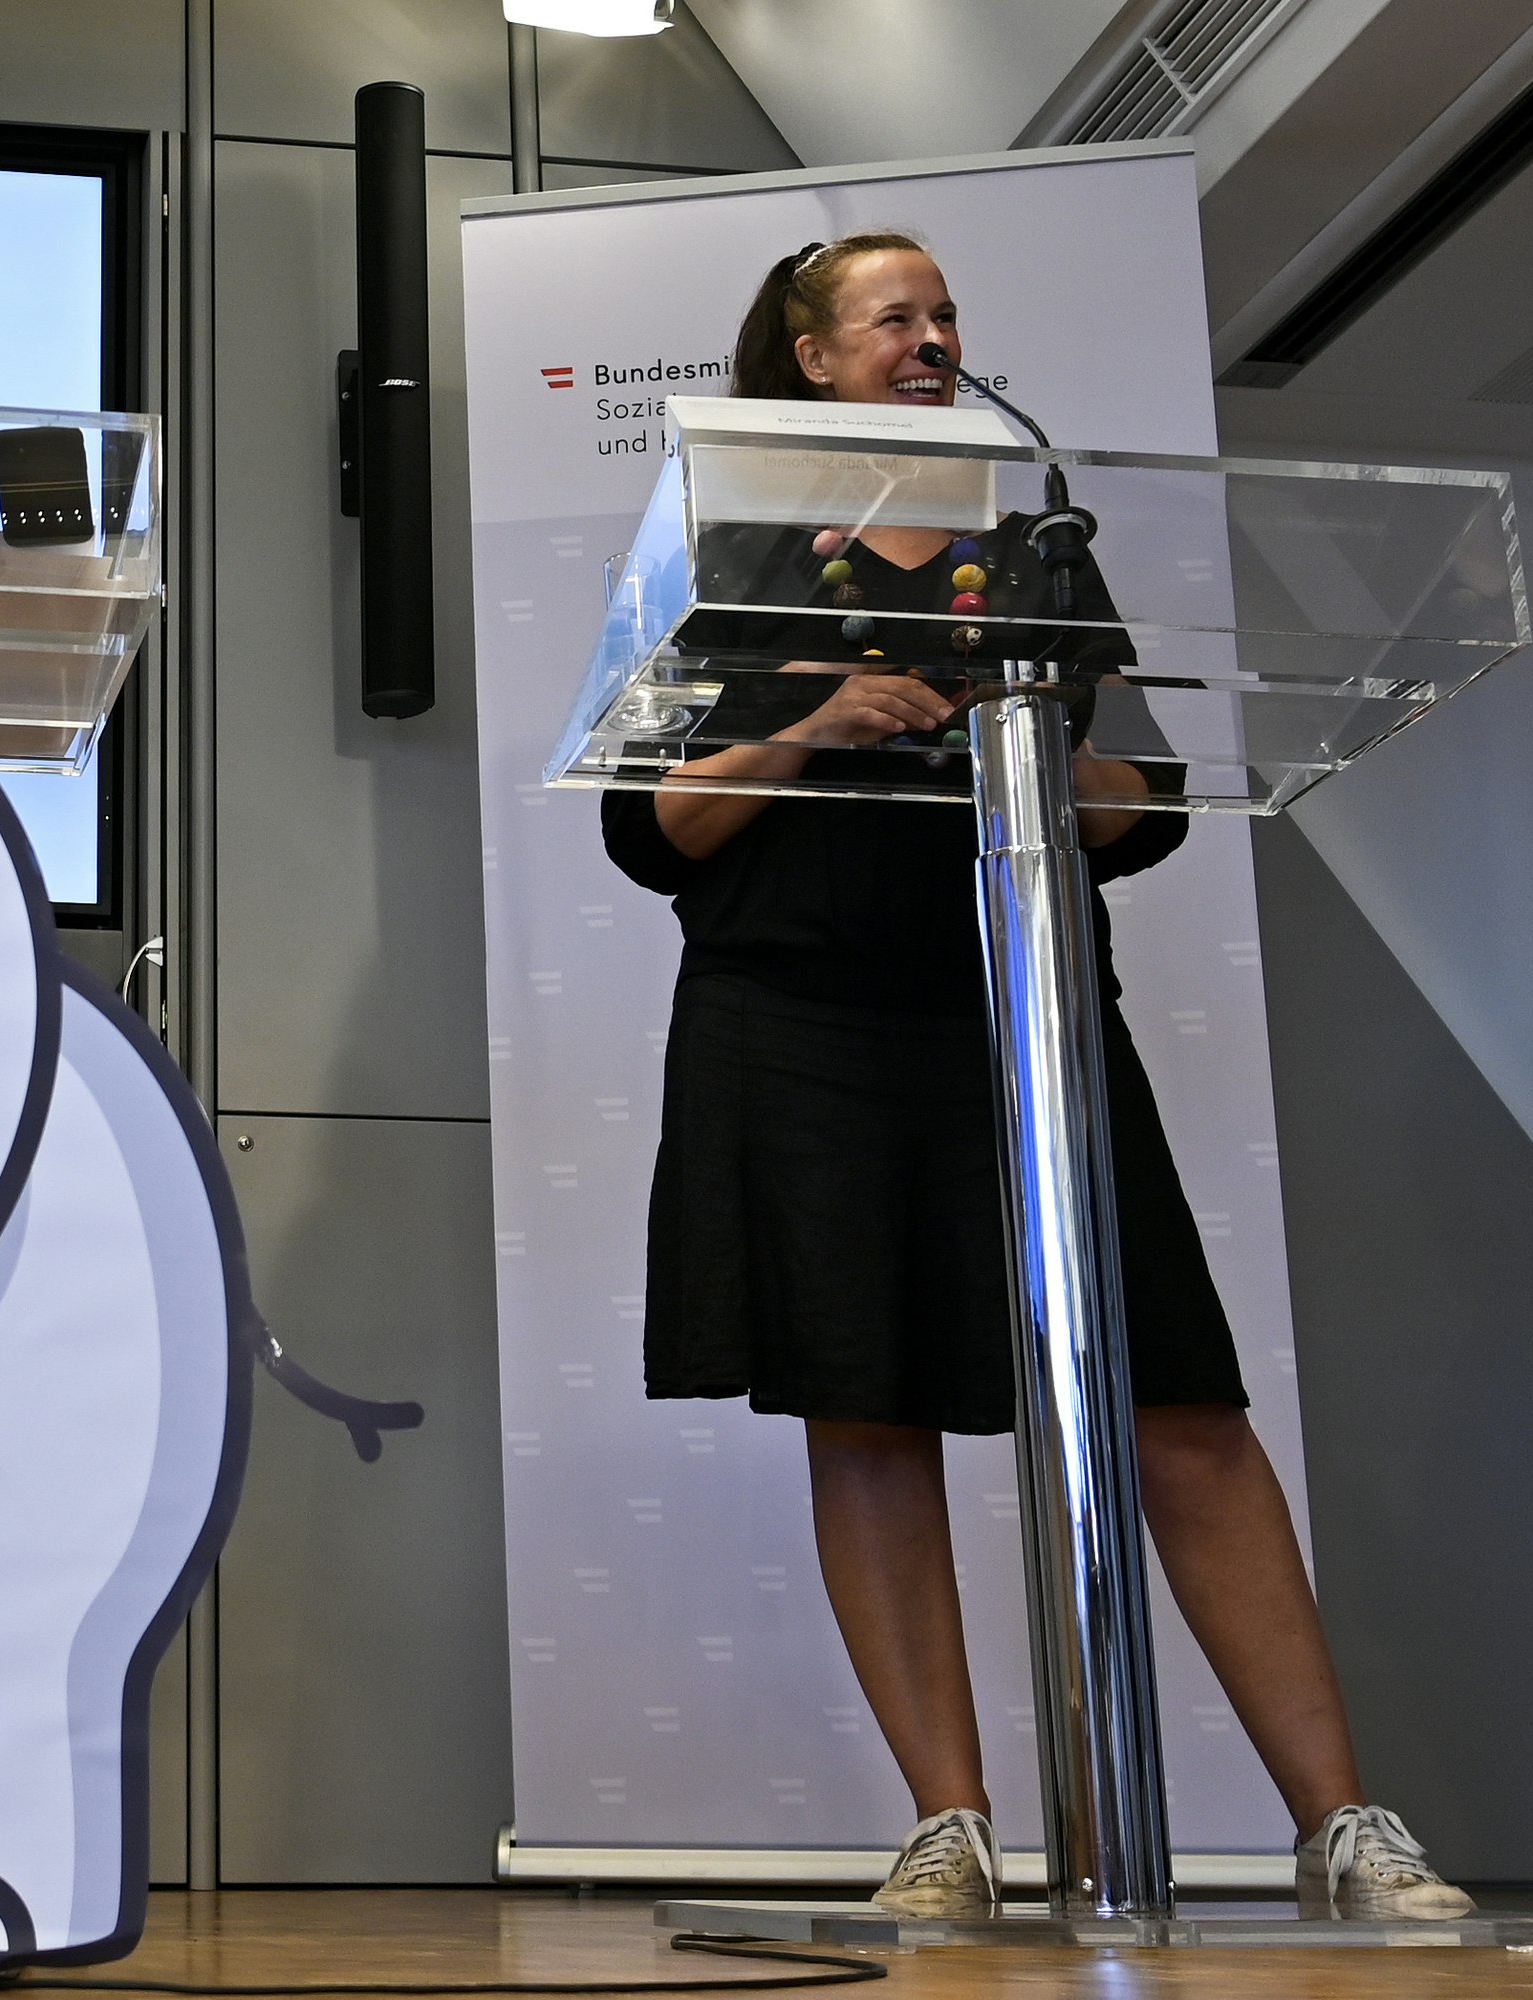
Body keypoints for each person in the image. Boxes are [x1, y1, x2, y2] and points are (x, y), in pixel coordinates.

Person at [600, 232, 1469, 1923]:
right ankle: (949, 1830)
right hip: (801, 1030)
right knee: (864, 1409)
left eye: (946, 318)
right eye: (895, 318)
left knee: (1183, 1412)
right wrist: (809, 730)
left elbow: (1137, 812)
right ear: (810, 354)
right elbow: (656, 828)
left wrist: (1042, 753)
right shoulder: (715, 557)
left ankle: (1345, 1827)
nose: (932, 339)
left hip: (1027, 1016)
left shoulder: (1034, 546)